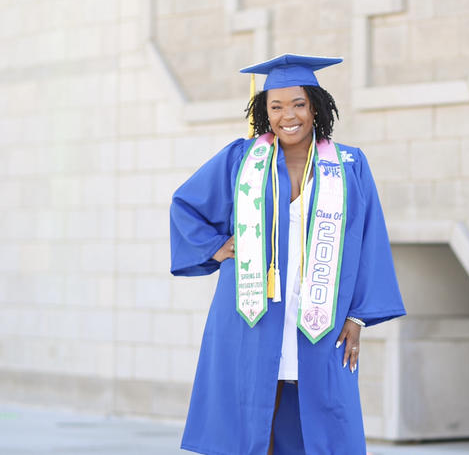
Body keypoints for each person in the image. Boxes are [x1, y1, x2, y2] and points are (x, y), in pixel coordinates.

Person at [170, 54, 406, 455]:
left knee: (317, 415)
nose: (288, 115)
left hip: (320, 310)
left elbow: (370, 238)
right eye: (276, 106)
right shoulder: (242, 160)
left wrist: (357, 315)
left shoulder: (348, 165)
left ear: (315, 106)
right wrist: (217, 246)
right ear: (263, 112)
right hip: (251, 309)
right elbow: (186, 205)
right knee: (254, 409)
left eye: (298, 104)